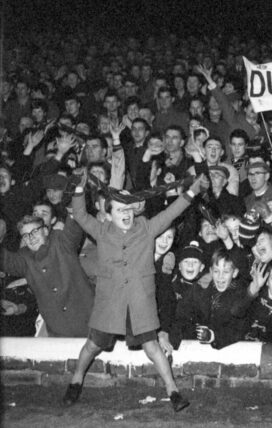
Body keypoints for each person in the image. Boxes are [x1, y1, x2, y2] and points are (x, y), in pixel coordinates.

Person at [63, 171, 209, 412]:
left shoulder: (147, 227)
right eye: (120, 210)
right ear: (109, 214)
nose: (127, 214)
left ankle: (173, 391)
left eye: (129, 209)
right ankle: (76, 380)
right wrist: (79, 189)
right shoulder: (101, 231)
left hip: (140, 302)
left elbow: (173, 211)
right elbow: (79, 214)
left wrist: (193, 189)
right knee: (92, 345)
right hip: (109, 303)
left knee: (152, 347)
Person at [0, 214, 93, 337]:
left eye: (34, 231)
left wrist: (74, 203)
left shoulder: (61, 241)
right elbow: (5, 260)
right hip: (59, 330)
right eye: (26, 235)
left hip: (90, 322)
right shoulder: (24, 258)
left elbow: (74, 224)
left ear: (45, 230)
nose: (31, 238)